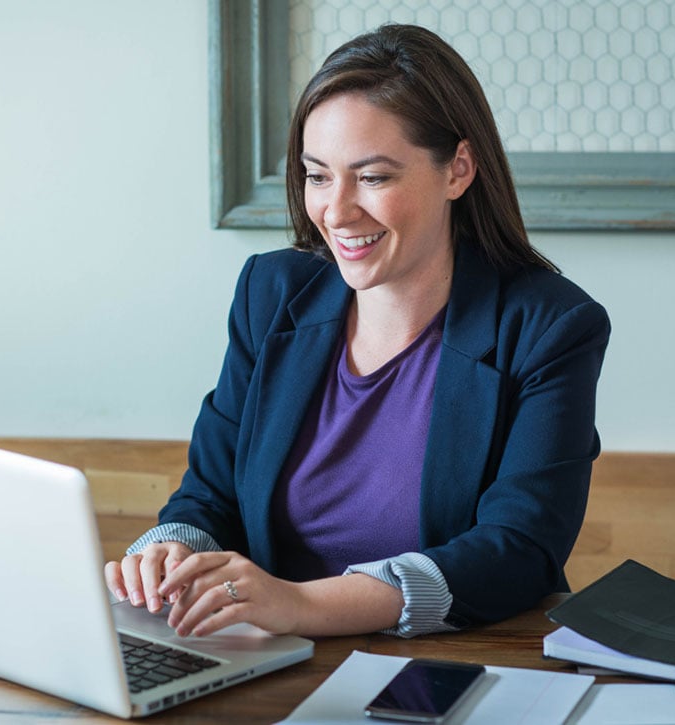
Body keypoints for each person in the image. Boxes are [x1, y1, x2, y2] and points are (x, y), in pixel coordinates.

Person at [105, 24, 610, 639]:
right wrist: (170, 548)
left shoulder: (549, 327)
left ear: (458, 169)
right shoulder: (271, 294)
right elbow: (211, 494)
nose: (336, 212)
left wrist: (302, 605)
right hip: (266, 662)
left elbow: (519, 550)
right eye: (318, 176)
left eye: (372, 177)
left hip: (451, 667)